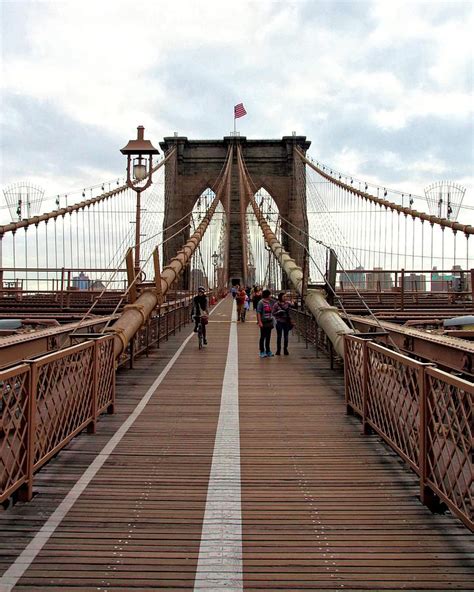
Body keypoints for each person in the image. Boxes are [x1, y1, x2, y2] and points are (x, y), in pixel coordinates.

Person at [256, 289, 274, 358]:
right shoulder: (261, 302)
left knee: (268, 337)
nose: (271, 295)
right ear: (267, 295)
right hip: (263, 322)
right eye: (270, 294)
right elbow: (258, 312)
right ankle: (262, 351)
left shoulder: (269, 302)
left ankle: (268, 351)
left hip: (269, 322)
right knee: (263, 337)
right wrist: (259, 322)